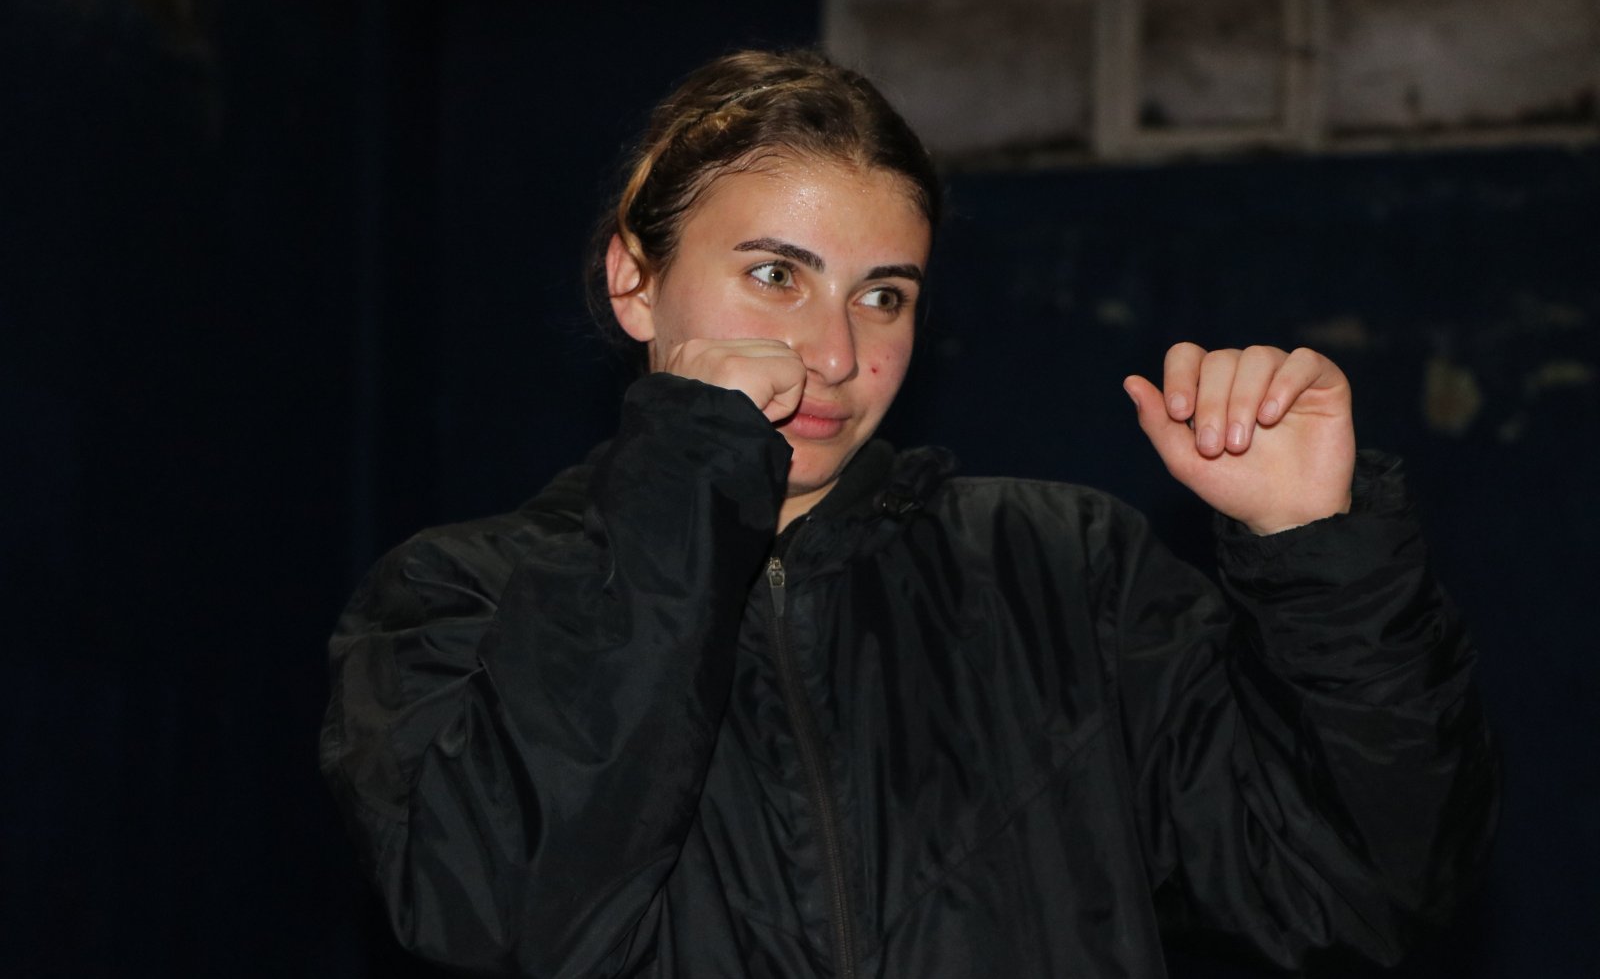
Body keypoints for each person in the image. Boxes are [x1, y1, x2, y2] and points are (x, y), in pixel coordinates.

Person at [320, 49, 1497, 978]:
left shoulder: (1060, 569)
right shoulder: (459, 597)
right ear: (635, 280)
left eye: (883, 296)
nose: (835, 353)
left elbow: (1360, 892)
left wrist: (1320, 559)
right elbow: (506, 912)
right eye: (775, 276)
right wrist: (689, 471)